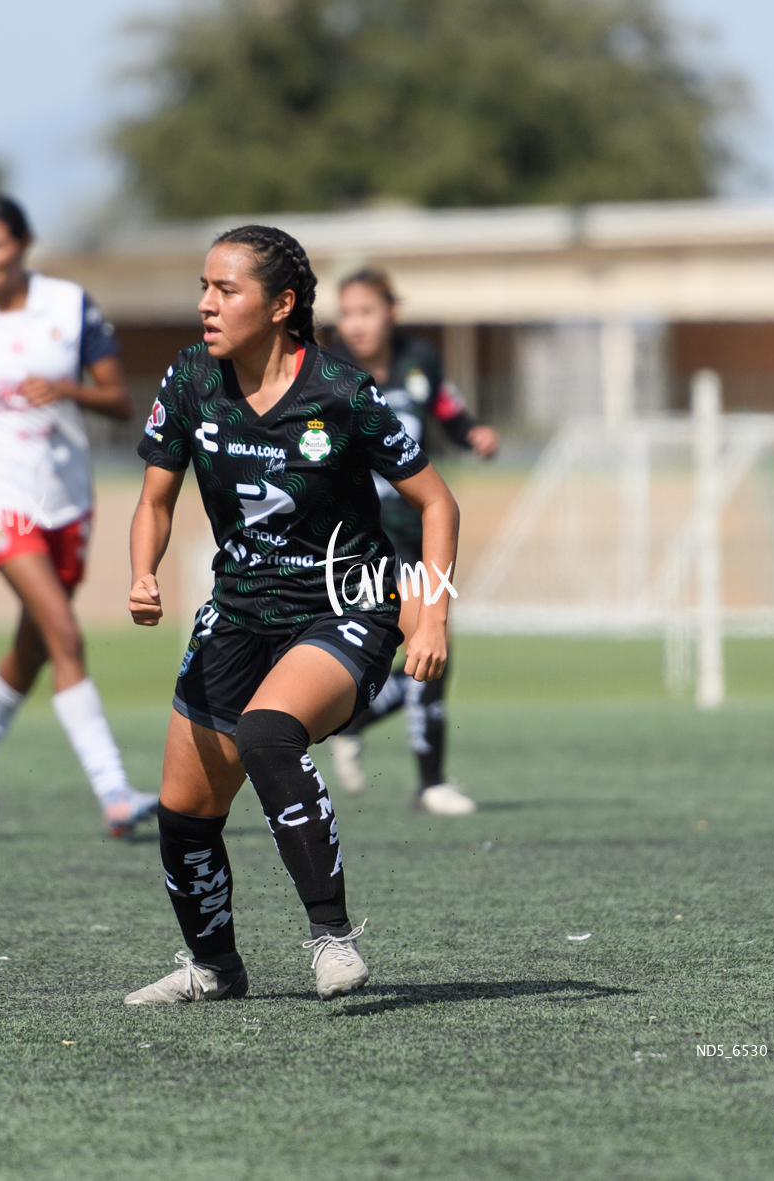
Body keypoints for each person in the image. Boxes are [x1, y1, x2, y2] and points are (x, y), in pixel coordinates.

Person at [123, 226, 459, 1004]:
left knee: (268, 733)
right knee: (184, 811)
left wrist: (431, 614)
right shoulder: (188, 379)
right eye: (204, 287)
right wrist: (141, 572)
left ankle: (333, 940)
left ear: (280, 306)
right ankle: (214, 968)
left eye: (226, 289)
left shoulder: (341, 390)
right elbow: (153, 500)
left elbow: (435, 500)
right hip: (237, 614)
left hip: (344, 607)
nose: (207, 304)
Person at [0, 194, 161, 837]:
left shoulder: (70, 305)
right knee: (64, 631)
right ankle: (114, 792)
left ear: (24, 244)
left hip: (68, 499)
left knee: (38, 636)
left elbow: (119, 399)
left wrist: (67, 389)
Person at [326, 266, 496, 816]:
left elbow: (444, 406)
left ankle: (353, 724)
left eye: (366, 311)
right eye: (346, 313)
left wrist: (472, 432)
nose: (354, 324)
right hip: (359, 538)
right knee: (425, 637)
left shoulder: (419, 358)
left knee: (430, 651)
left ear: (390, 313)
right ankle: (430, 782)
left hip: (420, 531)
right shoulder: (327, 371)